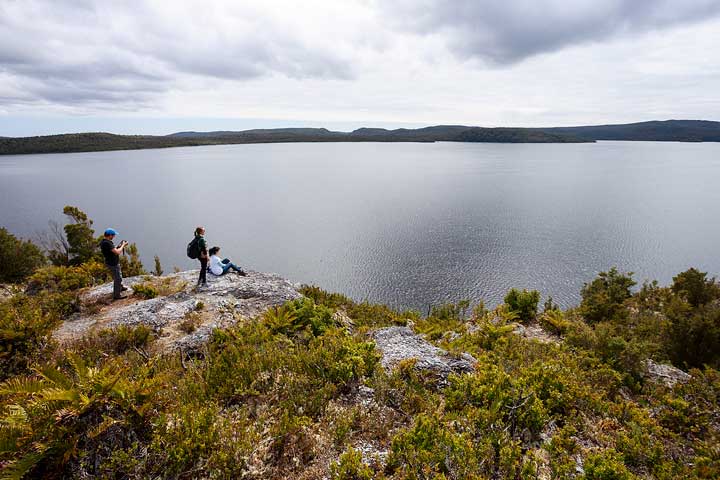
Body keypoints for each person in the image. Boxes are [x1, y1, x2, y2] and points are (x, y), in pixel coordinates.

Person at [99, 228, 128, 300]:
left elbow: (112, 250)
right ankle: (117, 295)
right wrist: (123, 245)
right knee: (117, 278)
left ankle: (120, 287)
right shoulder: (107, 243)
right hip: (113, 263)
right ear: (110, 235)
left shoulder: (105, 242)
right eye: (113, 235)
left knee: (119, 276)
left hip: (111, 262)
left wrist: (118, 246)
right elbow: (117, 252)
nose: (114, 236)